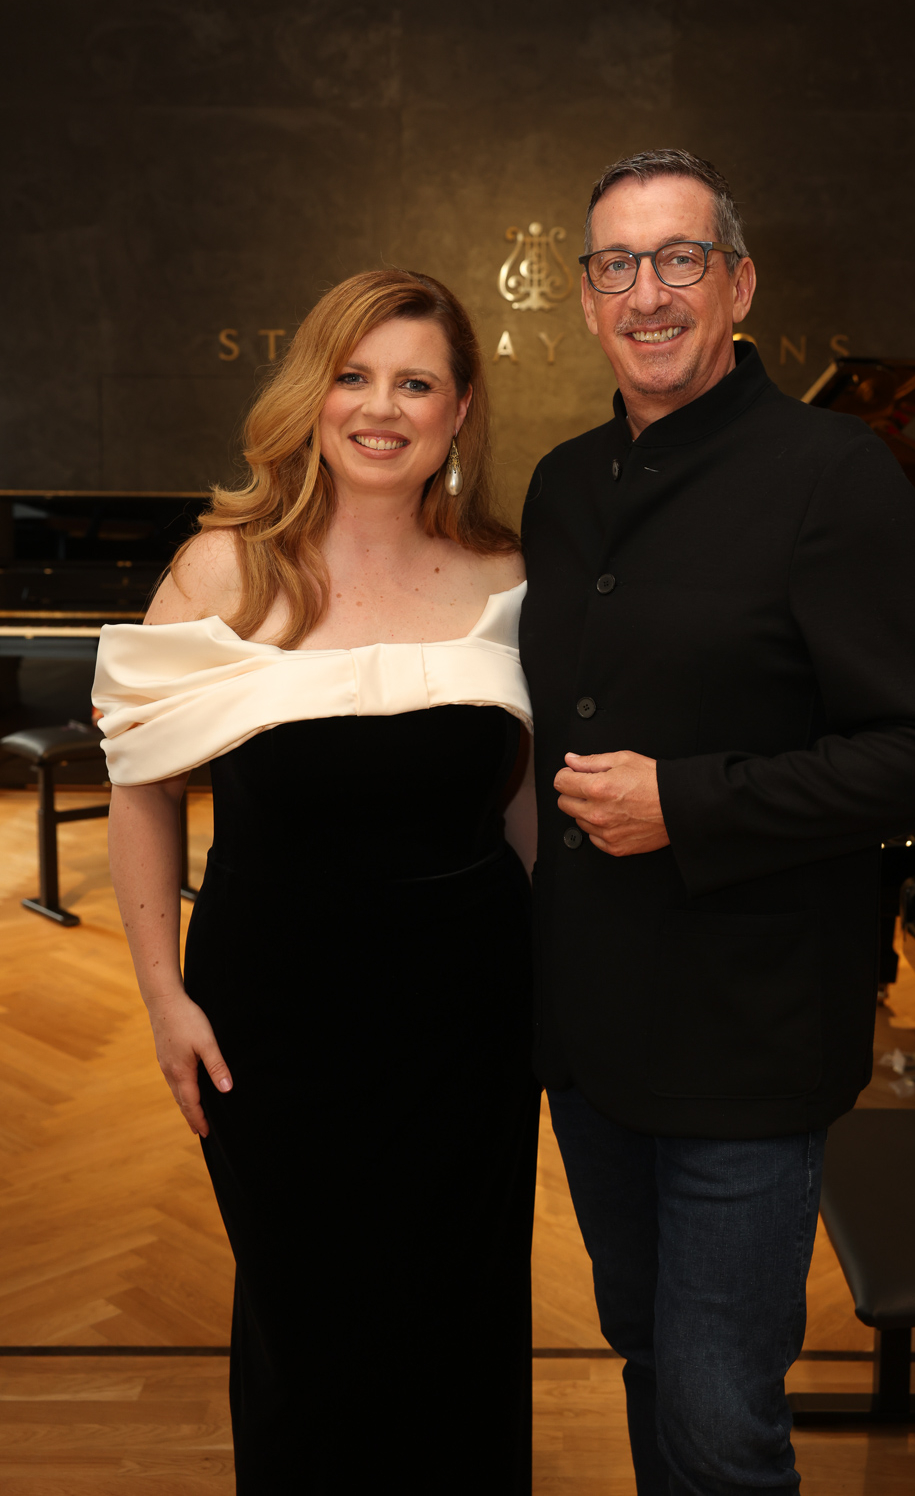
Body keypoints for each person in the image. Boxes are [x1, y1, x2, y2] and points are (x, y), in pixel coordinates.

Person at [518, 149, 915, 1495]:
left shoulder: (834, 473)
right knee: (646, 1353)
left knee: (724, 1422)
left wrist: (689, 801)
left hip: (749, 1033)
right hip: (591, 1032)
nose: (649, 292)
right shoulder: (560, 484)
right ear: (586, 298)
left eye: (681, 259)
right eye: (618, 265)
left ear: (738, 284)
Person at [95, 270, 539, 1494]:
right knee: (311, 1331)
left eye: (415, 383)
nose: (380, 408)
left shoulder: (508, 574)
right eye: (354, 376)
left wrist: (561, 974)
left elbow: (519, 800)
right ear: (314, 391)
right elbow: (142, 790)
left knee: (462, 1321)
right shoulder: (222, 571)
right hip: (275, 1021)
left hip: (472, 1021)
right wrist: (163, 997)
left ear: (459, 409)